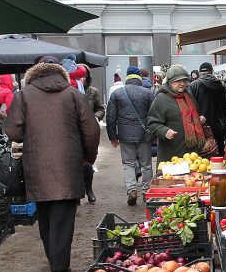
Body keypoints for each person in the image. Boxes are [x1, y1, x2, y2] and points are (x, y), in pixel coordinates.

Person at [5, 56, 100, 272]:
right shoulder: (74, 95)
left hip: (36, 165)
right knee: (64, 216)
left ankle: (54, 261)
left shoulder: (24, 96)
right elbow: (92, 131)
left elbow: (14, 132)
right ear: (60, 73)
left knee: (45, 215)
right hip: (69, 166)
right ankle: (59, 266)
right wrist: (88, 157)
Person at [106, 65, 155, 206]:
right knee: (146, 164)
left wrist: (112, 136)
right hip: (144, 134)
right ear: (139, 78)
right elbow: (153, 115)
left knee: (128, 163)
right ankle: (146, 191)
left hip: (124, 134)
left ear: (127, 78)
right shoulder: (148, 93)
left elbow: (111, 117)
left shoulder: (117, 93)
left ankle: (132, 189)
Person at [147, 65, 207, 164]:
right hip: (172, 153)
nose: (182, 84)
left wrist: (198, 118)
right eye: (178, 81)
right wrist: (164, 131)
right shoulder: (161, 98)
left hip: (192, 154)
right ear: (170, 82)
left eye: (184, 80)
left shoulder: (188, 95)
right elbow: (152, 123)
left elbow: (193, 113)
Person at [187, 62, 226, 156]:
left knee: (202, 158)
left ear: (199, 72)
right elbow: (225, 108)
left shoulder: (194, 85)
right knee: (219, 156)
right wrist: (224, 122)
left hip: (201, 126)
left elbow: (189, 106)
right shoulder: (220, 85)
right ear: (212, 71)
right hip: (218, 125)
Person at [81, 64, 105, 204]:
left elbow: (101, 108)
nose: (82, 79)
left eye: (84, 77)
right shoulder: (69, 90)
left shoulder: (92, 92)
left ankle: (89, 189)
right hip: (73, 132)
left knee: (88, 163)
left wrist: (96, 117)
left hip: (89, 132)